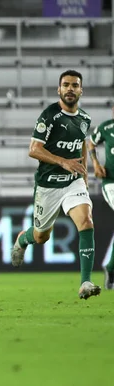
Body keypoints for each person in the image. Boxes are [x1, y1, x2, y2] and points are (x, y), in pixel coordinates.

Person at [11, 70, 100, 300]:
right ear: (58, 89)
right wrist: (63, 161)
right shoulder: (49, 115)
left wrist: (84, 176)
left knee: (86, 221)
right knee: (41, 237)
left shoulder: (85, 119)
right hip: (48, 185)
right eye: (66, 85)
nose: (70, 88)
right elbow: (33, 150)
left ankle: (85, 282)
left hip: (72, 182)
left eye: (75, 85)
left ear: (81, 90)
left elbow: (81, 145)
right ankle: (22, 239)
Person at [88, 106, 114, 289]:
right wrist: (96, 163)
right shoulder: (106, 128)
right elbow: (90, 142)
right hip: (111, 182)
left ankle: (111, 268)